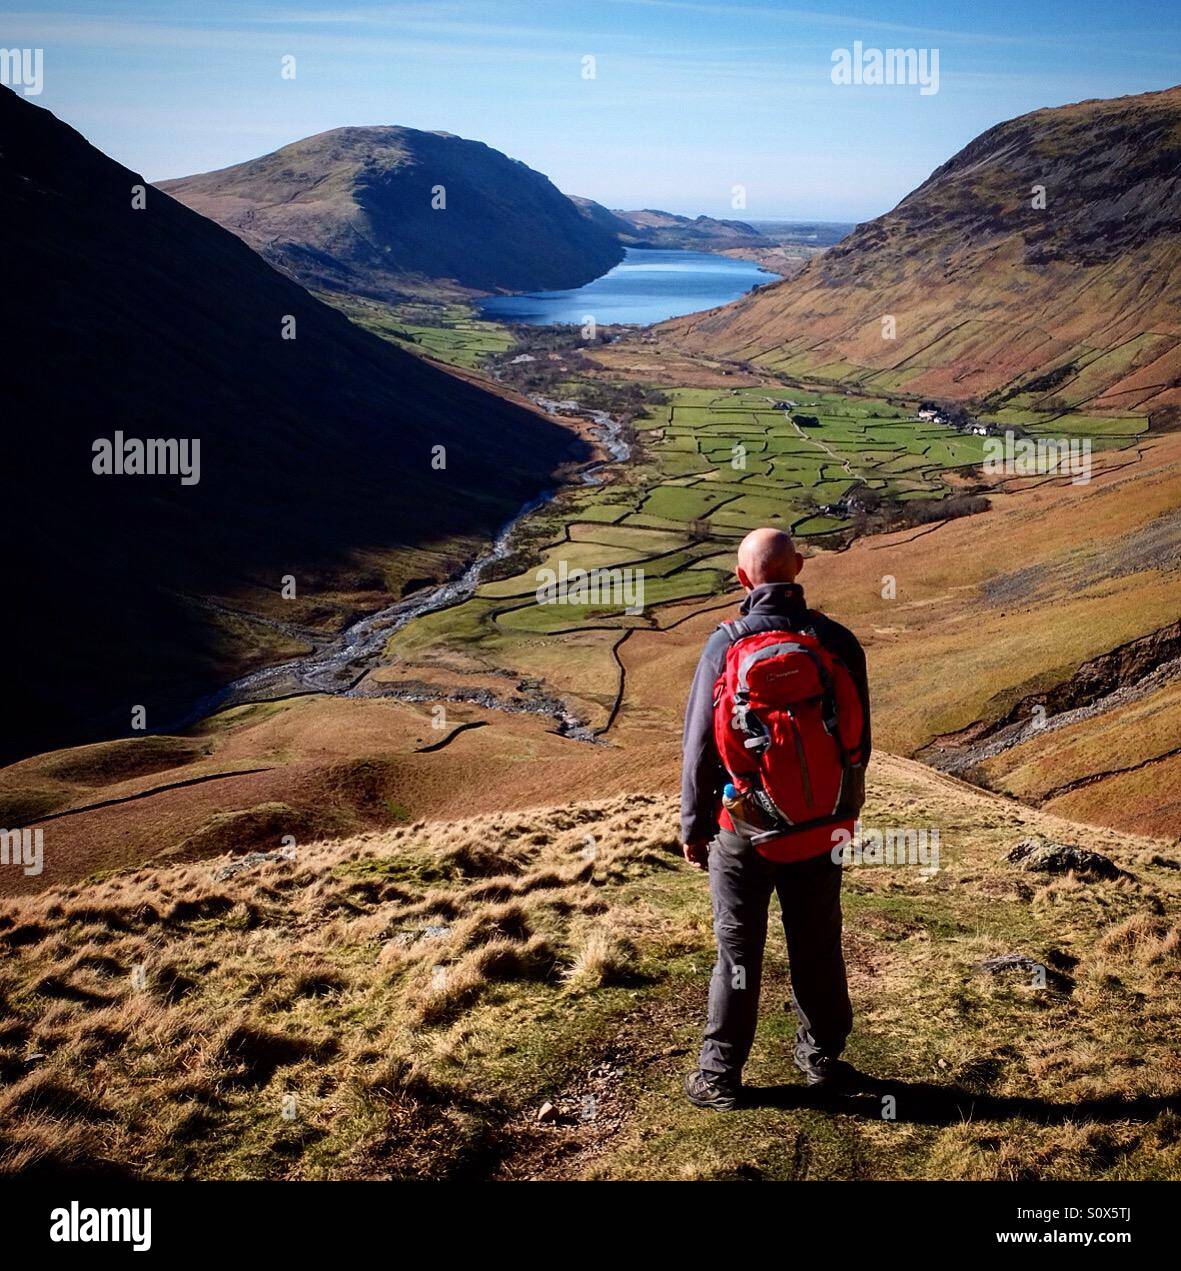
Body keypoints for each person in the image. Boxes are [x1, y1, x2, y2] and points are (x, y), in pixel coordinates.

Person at [681, 527, 871, 1110]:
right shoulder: (837, 641)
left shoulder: (724, 644)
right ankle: (823, 1057)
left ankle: (719, 1077)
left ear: (743, 579)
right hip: (822, 826)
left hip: (745, 831)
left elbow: (699, 750)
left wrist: (695, 827)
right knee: (816, 941)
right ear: (799, 568)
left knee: (738, 950)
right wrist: (843, 814)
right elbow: (857, 746)